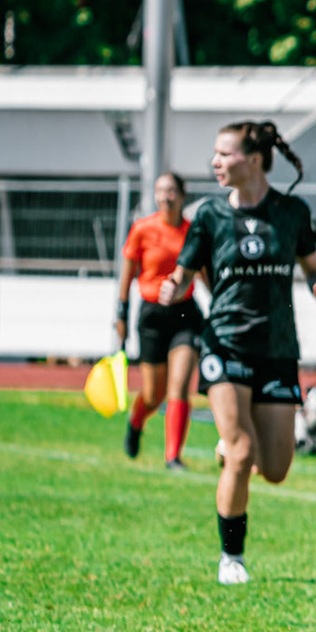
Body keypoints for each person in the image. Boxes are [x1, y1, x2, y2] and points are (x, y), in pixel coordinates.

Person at [161, 121, 316, 586]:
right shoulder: (208, 216)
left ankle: (230, 446)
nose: (215, 163)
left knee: (276, 468)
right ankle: (231, 558)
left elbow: (312, 268)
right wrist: (173, 286)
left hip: (278, 348)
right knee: (242, 453)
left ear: (255, 160)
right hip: (226, 342)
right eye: (215, 154)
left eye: (225, 154)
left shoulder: (292, 212)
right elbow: (184, 271)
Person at [115, 171, 201, 470]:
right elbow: (127, 274)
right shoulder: (142, 229)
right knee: (154, 394)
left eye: (171, 190)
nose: (166, 196)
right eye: (160, 190)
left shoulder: (193, 231)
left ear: (181, 195)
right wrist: (121, 313)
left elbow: (203, 272)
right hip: (151, 315)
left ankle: (172, 457)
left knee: (179, 386)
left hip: (185, 313)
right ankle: (136, 421)